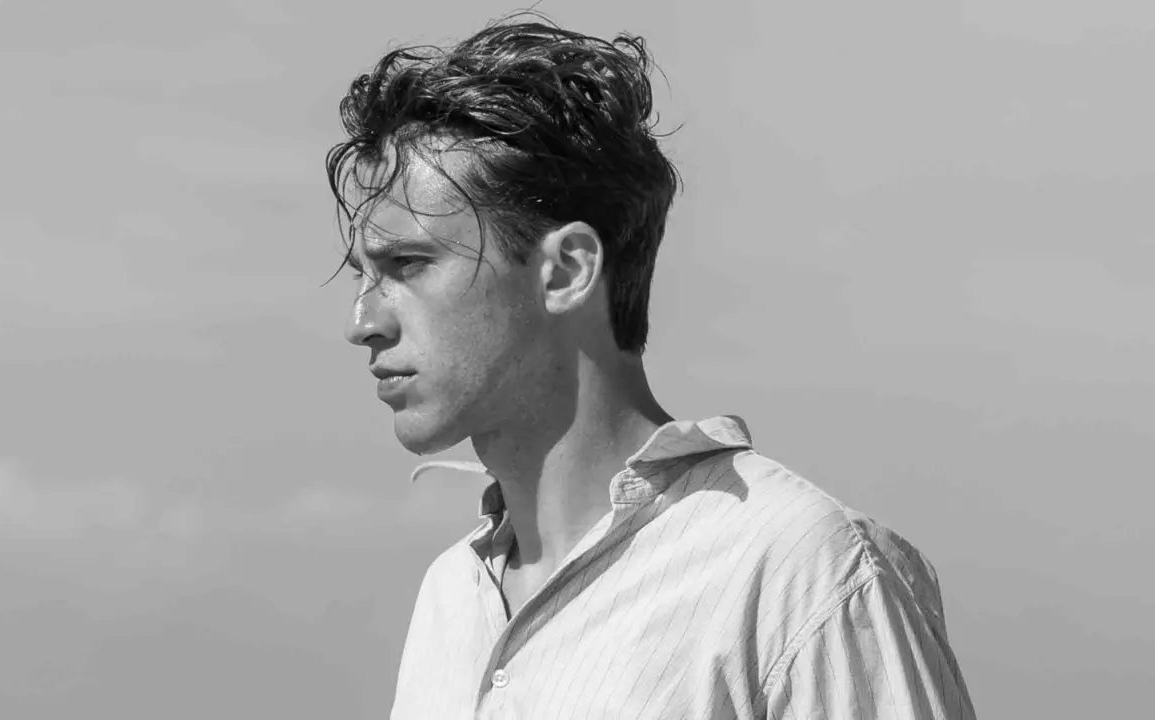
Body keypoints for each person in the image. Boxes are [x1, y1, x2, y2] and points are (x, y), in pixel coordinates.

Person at [326, 15, 976, 720]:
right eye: (363, 275)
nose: (363, 322)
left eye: (408, 264)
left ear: (566, 271)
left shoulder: (800, 571)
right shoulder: (451, 596)